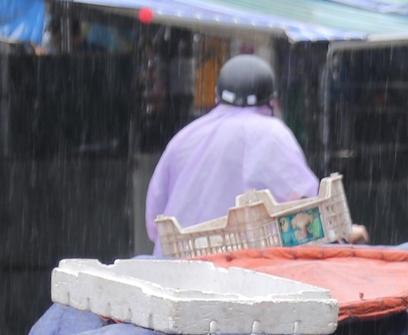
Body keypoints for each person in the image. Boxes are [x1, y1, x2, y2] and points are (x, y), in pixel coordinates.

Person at [143, 55, 365, 252]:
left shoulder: (184, 137)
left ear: (217, 96)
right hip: (245, 277)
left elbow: (155, 224)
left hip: (174, 271)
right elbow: (308, 212)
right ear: (270, 100)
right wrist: (346, 233)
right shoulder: (271, 133)